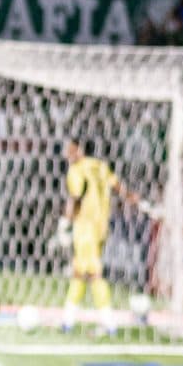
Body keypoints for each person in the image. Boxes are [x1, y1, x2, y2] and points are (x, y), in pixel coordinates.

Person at [60, 138, 145, 330]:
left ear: (79, 149)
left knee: (93, 273)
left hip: (85, 227)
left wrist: (67, 220)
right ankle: (68, 319)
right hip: (101, 228)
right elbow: (118, 187)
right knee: (80, 272)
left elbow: (76, 196)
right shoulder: (101, 166)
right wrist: (132, 197)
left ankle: (108, 322)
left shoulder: (77, 170)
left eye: (70, 149)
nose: (66, 154)